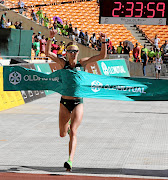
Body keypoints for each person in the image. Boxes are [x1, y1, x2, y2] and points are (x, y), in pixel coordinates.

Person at [45, 30, 107, 171]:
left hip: (78, 102)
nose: (73, 53)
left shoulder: (82, 63)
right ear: (66, 53)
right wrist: (50, 38)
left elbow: (102, 55)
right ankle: (66, 130)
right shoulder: (62, 63)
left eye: (75, 51)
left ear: (78, 52)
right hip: (64, 103)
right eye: (71, 51)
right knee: (62, 133)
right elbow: (48, 53)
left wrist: (104, 40)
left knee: (73, 131)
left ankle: (70, 161)